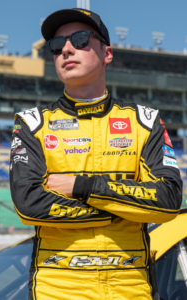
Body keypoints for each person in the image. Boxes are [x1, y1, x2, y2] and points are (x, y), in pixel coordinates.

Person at [10, 8, 182, 300]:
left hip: (132, 290)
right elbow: (29, 205)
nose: (66, 49)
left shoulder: (145, 121)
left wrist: (82, 187)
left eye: (79, 39)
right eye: (56, 45)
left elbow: (167, 203)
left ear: (108, 53)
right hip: (58, 290)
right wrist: (121, 210)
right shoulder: (31, 123)